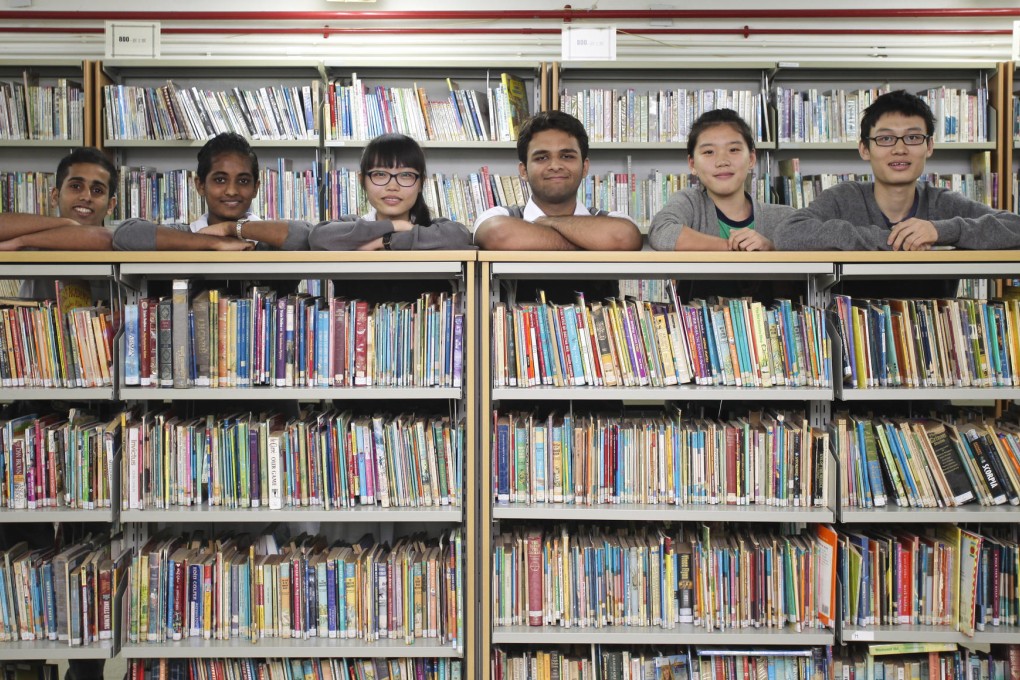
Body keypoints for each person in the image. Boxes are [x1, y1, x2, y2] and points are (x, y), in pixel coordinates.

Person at [773, 89, 1020, 251]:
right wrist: (888, 241)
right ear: (864, 149)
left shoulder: (944, 204)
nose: (900, 149)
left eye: (913, 138)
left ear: (929, 146)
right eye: (886, 139)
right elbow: (788, 234)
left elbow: (1015, 227)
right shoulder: (843, 199)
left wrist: (941, 230)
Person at [472, 110, 642, 251]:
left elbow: (625, 238)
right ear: (523, 171)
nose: (555, 166)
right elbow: (497, 235)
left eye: (567, 156)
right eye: (541, 158)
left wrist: (548, 222)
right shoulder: (499, 215)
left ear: (584, 167)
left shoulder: (613, 219)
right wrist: (592, 242)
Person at [112, 132, 310, 251]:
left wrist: (231, 229)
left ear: (256, 188)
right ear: (200, 185)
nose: (232, 190)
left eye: (243, 180)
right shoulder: (185, 234)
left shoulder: (268, 240)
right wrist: (211, 242)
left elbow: (306, 236)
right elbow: (125, 235)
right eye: (220, 179)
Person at [649, 108, 792, 251]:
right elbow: (660, 232)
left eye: (734, 150)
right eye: (709, 152)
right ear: (692, 164)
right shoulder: (689, 204)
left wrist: (773, 250)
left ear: (751, 159)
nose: (722, 161)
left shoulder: (785, 218)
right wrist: (734, 247)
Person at [307, 133, 472, 250]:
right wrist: (396, 225)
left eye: (406, 175)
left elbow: (460, 237)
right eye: (380, 174)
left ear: (421, 183)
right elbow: (318, 237)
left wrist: (386, 242)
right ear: (362, 181)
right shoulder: (351, 225)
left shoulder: (432, 227)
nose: (392, 186)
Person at [0, 147, 115, 252]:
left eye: (97, 190)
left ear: (110, 205)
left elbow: (105, 238)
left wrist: (22, 242)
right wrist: (66, 223)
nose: (86, 197)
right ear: (55, 196)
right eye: (75, 186)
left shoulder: (117, 242)